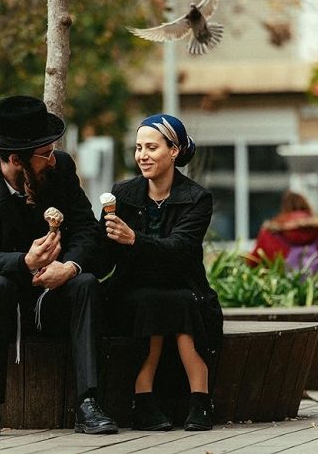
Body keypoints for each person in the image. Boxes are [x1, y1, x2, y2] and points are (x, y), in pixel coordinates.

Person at [0, 95, 117, 437]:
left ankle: (88, 403)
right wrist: (25, 262)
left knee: (86, 283)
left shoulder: (60, 169)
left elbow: (86, 229)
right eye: (44, 153)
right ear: (16, 159)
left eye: (52, 150)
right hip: (6, 300)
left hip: (56, 296)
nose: (53, 159)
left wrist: (69, 267)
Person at [100, 114, 223, 432]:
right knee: (151, 302)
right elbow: (105, 254)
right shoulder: (122, 194)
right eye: (138, 147)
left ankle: (200, 402)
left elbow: (180, 248)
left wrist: (134, 239)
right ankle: (143, 402)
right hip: (133, 289)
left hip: (183, 285)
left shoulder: (197, 198)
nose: (142, 155)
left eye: (151, 148)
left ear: (174, 151)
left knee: (182, 302)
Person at [248, 190, 318, 271]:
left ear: (283, 208)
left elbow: (253, 261)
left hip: (279, 278)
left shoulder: (270, 232)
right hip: (316, 277)